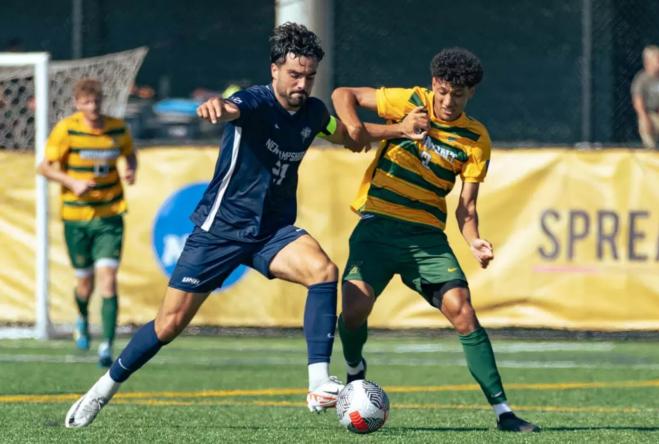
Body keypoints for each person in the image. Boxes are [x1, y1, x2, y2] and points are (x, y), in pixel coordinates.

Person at [64, 22, 420, 428]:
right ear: (274, 70)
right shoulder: (253, 101)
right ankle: (100, 391)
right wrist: (217, 106)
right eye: (294, 75)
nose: (302, 84)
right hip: (221, 230)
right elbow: (231, 107)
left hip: (272, 232)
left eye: (309, 76)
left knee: (324, 271)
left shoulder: (314, 113)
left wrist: (397, 129)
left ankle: (319, 382)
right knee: (169, 324)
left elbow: (347, 136)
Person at [331, 47, 541, 433]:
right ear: (433, 85)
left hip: (426, 238)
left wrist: (474, 240)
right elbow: (343, 94)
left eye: (457, 95)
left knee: (463, 311)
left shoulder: (476, 139)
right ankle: (354, 368)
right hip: (377, 227)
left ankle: (504, 412)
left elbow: (467, 207)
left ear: (471, 94)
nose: (447, 101)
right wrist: (358, 127)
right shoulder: (410, 101)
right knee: (355, 309)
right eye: (442, 92)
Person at [37, 79, 137, 367]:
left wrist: (130, 168)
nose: (93, 108)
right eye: (87, 103)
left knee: (108, 281)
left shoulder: (117, 128)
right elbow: (44, 166)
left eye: (96, 103)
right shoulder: (67, 129)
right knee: (84, 284)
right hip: (76, 217)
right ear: (78, 104)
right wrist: (72, 182)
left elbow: (129, 152)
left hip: (110, 217)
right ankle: (81, 317)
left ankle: (106, 345)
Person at [631, 45, 659, 149]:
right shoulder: (641, 79)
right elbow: (638, 101)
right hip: (650, 114)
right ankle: (651, 151)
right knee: (644, 125)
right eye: (658, 60)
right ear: (648, 62)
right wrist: (644, 117)